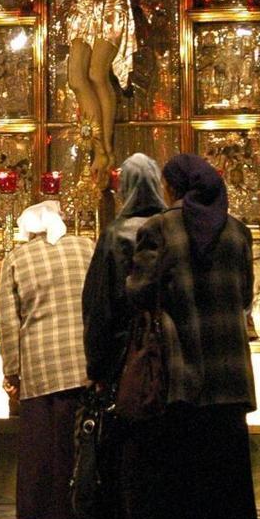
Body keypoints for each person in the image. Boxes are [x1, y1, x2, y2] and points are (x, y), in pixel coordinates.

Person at [122, 153, 260, 519]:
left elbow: (139, 291)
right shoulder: (237, 233)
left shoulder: (160, 229)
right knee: (224, 472)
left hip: (181, 371)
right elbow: (245, 295)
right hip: (228, 374)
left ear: (175, 187)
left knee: (178, 469)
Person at [0, 198, 95, 519]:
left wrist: (12, 371)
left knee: (52, 448)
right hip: (85, 361)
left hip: (41, 366)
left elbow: (9, 320)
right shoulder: (86, 248)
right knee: (87, 444)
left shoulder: (17, 259)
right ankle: (94, 514)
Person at [83, 151, 166, 392]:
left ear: (125, 188)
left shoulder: (115, 235)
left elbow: (99, 303)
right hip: (169, 351)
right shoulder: (171, 226)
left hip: (125, 353)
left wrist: (96, 367)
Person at [65, 0, 136, 173]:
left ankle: (104, 147)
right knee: (76, 78)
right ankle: (99, 148)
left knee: (97, 74)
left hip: (110, 4)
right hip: (84, 3)